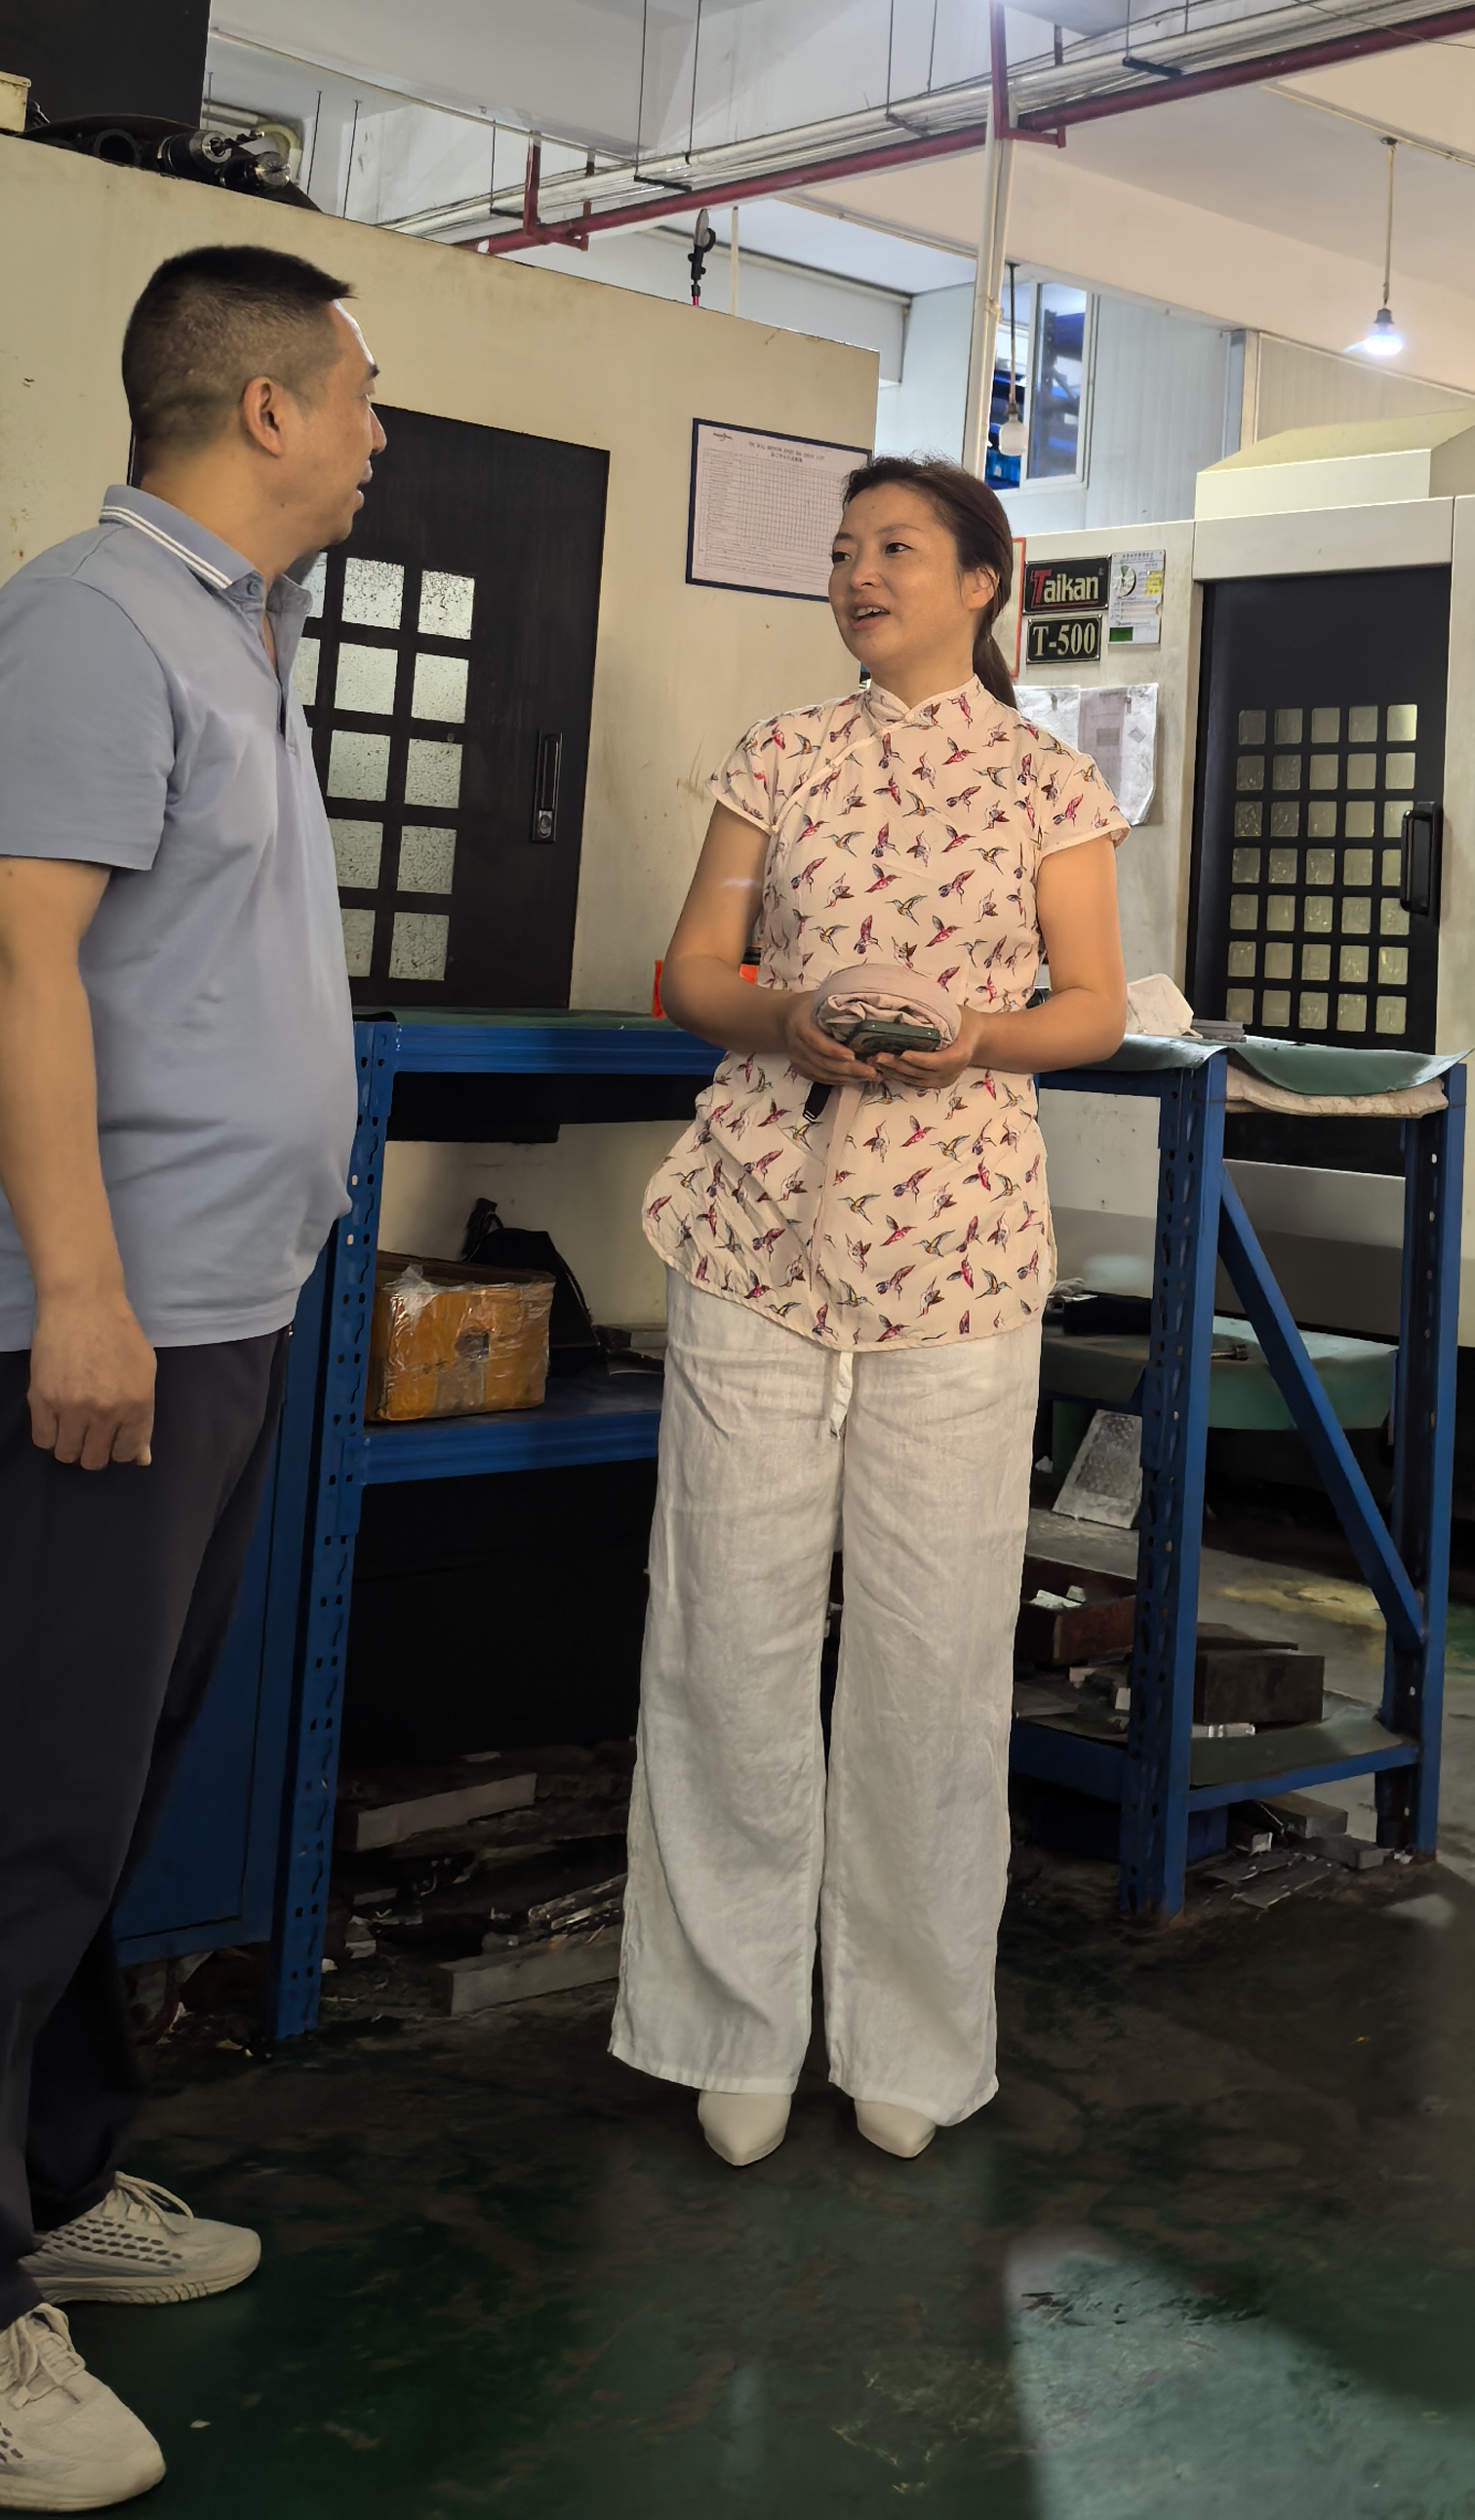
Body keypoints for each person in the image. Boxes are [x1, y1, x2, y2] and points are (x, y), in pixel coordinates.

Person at [0, 245, 382, 2509]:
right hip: (104, 1318)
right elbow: (15, 952)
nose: (376, 432)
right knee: (8, 1817)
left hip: (218, 1304)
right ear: (265, 406)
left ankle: (49, 2180)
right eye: (360, 393)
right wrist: (79, 1288)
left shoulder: (236, 637)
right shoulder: (91, 618)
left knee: (100, 1784)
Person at [614, 456, 1129, 2170]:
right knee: (729, 1633)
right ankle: (727, 2024)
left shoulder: (1050, 781)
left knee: (932, 1648)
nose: (859, 574)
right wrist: (789, 1017)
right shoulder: (778, 755)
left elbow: (1092, 1008)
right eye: (843, 551)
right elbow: (692, 974)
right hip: (757, 1220)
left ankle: (908, 2031)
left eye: (896, 548)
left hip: (960, 1244)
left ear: (984, 583)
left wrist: (974, 1037)